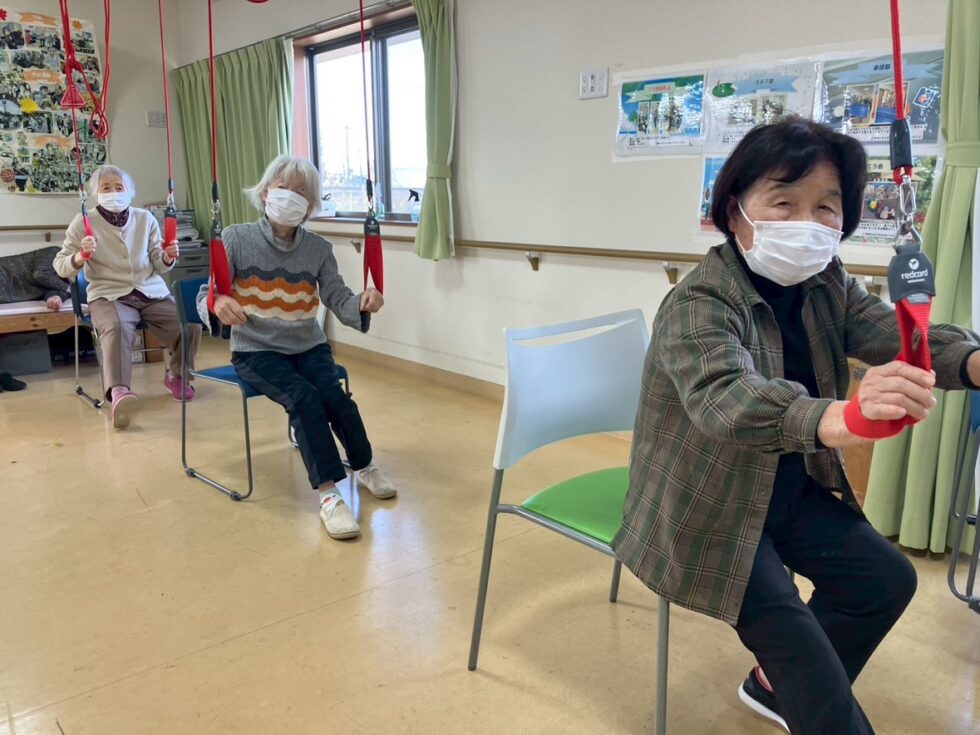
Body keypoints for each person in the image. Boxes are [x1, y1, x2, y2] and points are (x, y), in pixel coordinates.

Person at [613, 118, 980, 735]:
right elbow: (726, 397)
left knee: (884, 581)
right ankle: (797, 687)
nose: (806, 223)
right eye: (783, 203)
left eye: (825, 208)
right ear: (735, 211)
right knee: (806, 658)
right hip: (710, 504)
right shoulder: (699, 303)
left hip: (785, 488)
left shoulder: (825, 281)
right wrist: (843, 416)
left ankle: (772, 687)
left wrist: (968, 361)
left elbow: (889, 331)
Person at [204, 154, 398, 541]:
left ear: (310, 206)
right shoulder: (236, 239)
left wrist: (363, 302)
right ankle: (329, 495)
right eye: (283, 188)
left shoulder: (318, 249)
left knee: (335, 397)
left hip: (307, 345)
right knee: (304, 398)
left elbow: (337, 296)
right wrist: (218, 302)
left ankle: (364, 466)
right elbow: (209, 294)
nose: (291, 197)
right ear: (265, 193)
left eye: (302, 193)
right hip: (256, 349)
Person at [54, 165, 202, 429]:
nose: (113, 192)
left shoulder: (145, 219)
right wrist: (80, 256)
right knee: (117, 326)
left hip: (150, 291)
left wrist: (168, 257)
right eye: (106, 188)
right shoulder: (83, 221)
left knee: (189, 322)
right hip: (109, 295)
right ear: (96, 193)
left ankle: (177, 375)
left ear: (129, 191)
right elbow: (61, 266)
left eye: (119, 187)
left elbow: (158, 262)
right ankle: (120, 392)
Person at [0, 246, 69, 310]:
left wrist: (54, 298)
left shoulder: (63, 282)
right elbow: (40, 275)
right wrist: (69, 288)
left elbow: (54, 292)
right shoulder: (55, 252)